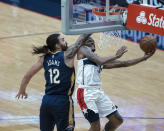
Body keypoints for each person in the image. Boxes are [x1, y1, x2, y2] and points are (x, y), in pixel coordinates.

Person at [75, 37, 155, 131]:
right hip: (85, 93)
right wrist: (116, 56)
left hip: (98, 92)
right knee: (96, 126)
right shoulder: (82, 50)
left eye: (93, 42)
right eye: (89, 42)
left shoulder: (98, 60)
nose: (92, 43)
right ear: (83, 44)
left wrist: (144, 58)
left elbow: (124, 63)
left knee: (117, 120)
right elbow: (100, 60)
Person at [16, 33, 91, 131]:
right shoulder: (67, 54)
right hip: (62, 102)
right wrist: (92, 28)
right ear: (57, 45)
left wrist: (22, 90)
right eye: (63, 40)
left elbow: (27, 76)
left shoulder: (44, 58)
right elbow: (80, 40)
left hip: (47, 101)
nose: (66, 41)